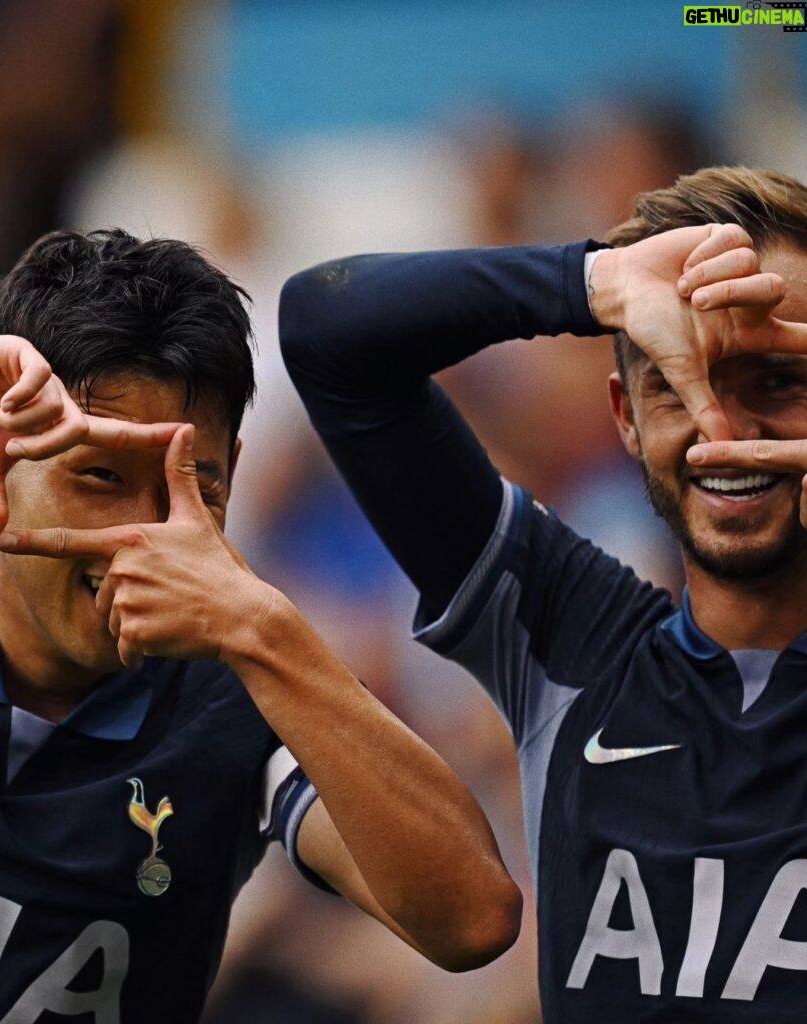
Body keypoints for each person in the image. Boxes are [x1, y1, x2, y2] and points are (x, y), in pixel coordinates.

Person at [279, 166, 807, 1022]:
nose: (725, 430)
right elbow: (326, 329)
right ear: (625, 416)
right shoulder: (572, 635)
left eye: (778, 383)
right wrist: (587, 281)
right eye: (677, 382)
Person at [0, 228, 522, 1022]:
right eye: (99, 476)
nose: (148, 535)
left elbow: (471, 918)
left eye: (193, 487)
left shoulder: (238, 693)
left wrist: (268, 631)